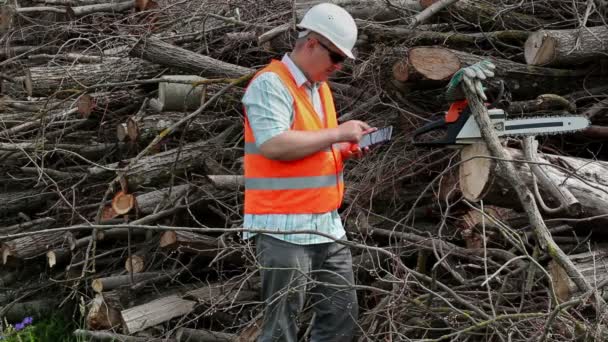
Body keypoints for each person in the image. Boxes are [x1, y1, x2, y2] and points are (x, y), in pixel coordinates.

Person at [241, 3, 373, 341]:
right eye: (336, 58)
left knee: (341, 318)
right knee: (282, 328)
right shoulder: (270, 84)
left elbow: (312, 145)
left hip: (326, 225)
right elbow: (274, 144)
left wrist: (343, 149)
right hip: (283, 228)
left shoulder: (319, 88)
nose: (339, 67)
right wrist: (339, 133)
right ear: (312, 43)